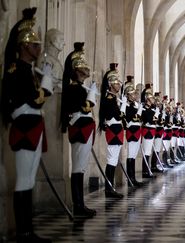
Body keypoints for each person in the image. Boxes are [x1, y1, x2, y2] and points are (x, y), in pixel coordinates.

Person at [1, 8, 53, 243]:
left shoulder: (29, 72)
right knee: (23, 180)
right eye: (34, 46)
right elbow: (34, 98)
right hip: (24, 127)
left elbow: (35, 96)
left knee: (29, 179)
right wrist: (46, 85)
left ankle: (28, 229)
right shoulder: (16, 70)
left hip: (33, 125)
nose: (38, 49)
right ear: (23, 47)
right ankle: (22, 231)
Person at [60, 42, 97, 218]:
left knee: (80, 168)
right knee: (78, 168)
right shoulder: (74, 88)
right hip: (80, 128)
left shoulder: (81, 88)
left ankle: (80, 204)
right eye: (83, 67)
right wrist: (91, 98)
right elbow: (84, 108)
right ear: (76, 70)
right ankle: (78, 205)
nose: (87, 70)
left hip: (84, 128)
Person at [99, 63, 124, 199]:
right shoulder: (109, 99)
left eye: (119, 83)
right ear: (110, 84)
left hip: (117, 130)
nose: (119, 85)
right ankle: (109, 188)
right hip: (113, 130)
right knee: (111, 160)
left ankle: (110, 187)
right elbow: (115, 115)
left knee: (113, 160)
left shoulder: (114, 99)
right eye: (116, 83)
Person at [123, 76, 145, 187]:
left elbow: (139, 118)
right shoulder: (126, 106)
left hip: (137, 130)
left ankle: (133, 178)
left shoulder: (135, 105)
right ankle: (130, 178)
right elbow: (130, 118)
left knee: (134, 155)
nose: (135, 96)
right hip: (132, 131)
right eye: (133, 94)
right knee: (130, 155)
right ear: (128, 95)